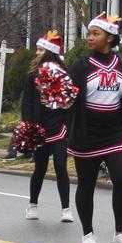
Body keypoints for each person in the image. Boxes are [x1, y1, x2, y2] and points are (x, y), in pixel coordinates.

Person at [67, 13, 122, 243]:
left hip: (114, 133)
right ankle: (87, 233)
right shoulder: (80, 66)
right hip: (86, 134)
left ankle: (120, 232)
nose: (90, 38)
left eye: (96, 34)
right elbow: (69, 99)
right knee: (86, 183)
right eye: (89, 34)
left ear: (109, 38)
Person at [21, 31, 73, 222]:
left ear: (50, 52)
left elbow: (70, 102)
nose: (37, 53)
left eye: (40, 49)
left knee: (61, 166)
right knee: (40, 168)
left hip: (59, 127)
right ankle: (33, 205)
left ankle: (66, 209)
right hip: (40, 128)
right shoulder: (32, 75)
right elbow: (26, 102)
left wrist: (70, 125)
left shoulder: (64, 74)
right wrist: (28, 126)